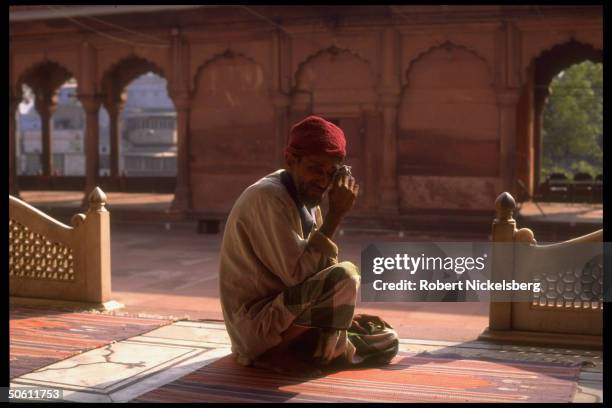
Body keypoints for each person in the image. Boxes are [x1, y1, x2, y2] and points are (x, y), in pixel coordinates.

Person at [219, 115, 398, 376]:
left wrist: (343, 314)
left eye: (331, 173)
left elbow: (321, 273)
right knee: (348, 274)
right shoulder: (268, 197)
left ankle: (317, 349)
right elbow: (301, 276)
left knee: (387, 339)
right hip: (256, 328)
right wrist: (335, 215)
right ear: (291, 160)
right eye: (316, 169)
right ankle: (272, 353)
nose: (324, 182)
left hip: (288, 318)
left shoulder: (307, 199)